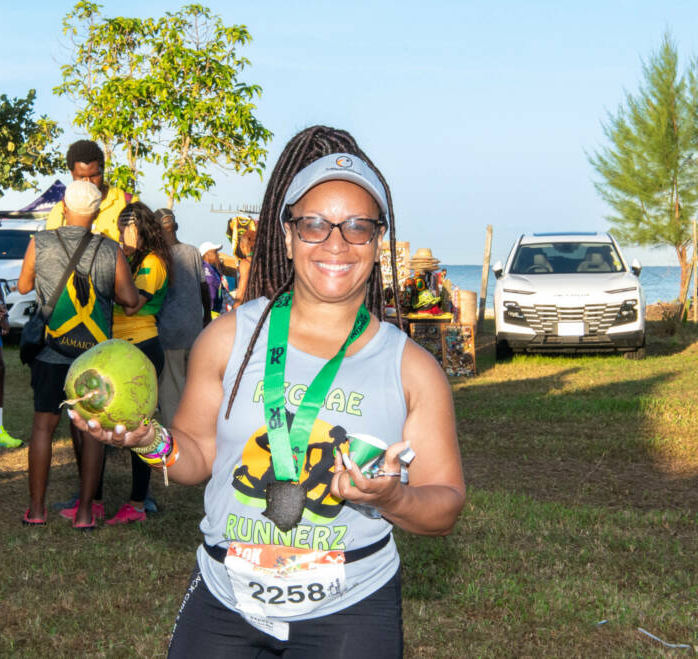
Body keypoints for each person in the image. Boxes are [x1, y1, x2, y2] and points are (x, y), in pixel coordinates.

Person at [70, 126, 465, 655]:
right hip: (227, 596)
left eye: (356, 227)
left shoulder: (412, 368)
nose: (335, 244)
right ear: (286, 236)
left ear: (377, 239)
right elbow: (196, 456)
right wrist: (147, 440)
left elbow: (444, 506)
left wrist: (393, 496)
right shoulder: (228, 338)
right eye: (314, 225)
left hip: (350, 604)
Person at [16, 181, 138, 527]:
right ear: (97, 213)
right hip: (94, 358)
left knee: (43, 427)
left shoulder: (40, 242)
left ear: (64, 207)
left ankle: (36, 510)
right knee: (92, 430)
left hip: (52, 351)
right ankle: (86, 513)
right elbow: (129, 300)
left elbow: (24, 286)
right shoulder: (109, 249)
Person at [93, 201, 172, 526]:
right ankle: (94, 499)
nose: (123, 234)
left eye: (127, 228)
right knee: (107, 424)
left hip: (141, 348)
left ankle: (138, 502)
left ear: (141, 228)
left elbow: (130, 306)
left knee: (139, 428)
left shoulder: (152, 262)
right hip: (119, 350)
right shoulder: (133, 259)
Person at [154, 209, 209, 429]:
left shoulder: (158, 257)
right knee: (192, 386)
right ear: (175, 227)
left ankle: (174, 435)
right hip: (194, 330)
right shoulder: (192, 251)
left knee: (170, 389)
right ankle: (193, 430)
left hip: (169, 333)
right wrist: (204, 317)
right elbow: (204, 288)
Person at [44, 140, 136, 242]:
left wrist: (108, 246)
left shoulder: (128, 203)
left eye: (93, 176)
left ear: (103, 170)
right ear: (71, 173)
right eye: (81, 177)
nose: (88, 182)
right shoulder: (60, 211)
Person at [230, 229, 257, 308]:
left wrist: (233, 310)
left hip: (251, 306)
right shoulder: (262, 261)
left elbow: (241, 292)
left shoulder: (245, 263)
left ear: (242, 246)